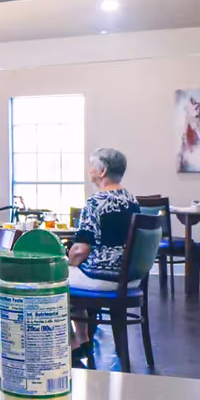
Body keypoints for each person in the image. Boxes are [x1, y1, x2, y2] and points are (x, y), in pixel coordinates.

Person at [66, 147, 137, 367]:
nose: (89, 171)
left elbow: (80, 251)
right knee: (73, 277)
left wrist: (67, 261)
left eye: (92, 166)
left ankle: (73, 342)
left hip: (104, 278)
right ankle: (83, 338)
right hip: (130, 276)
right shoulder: (132, 200)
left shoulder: (96, 202)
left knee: (54, 280)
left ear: (103, 170)